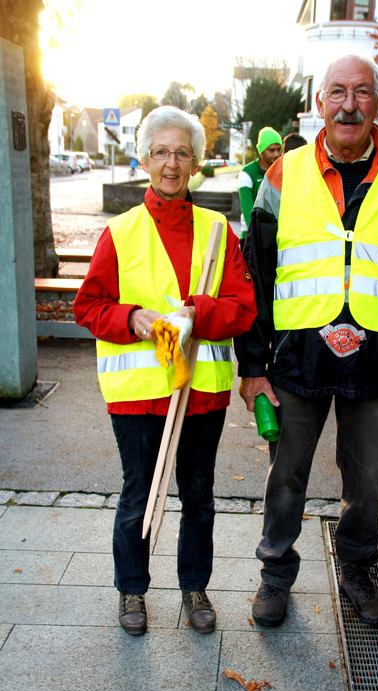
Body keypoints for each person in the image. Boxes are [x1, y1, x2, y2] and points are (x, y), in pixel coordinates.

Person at [234, 53, 378, 629]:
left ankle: (357, 571)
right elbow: (255, 273)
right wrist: (252, 366)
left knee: (367, 481)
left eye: (361, 92)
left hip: (377, 359)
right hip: (296, 358)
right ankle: (275, 574)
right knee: (287, 475)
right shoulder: (282, 175)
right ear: (319, 101)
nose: (348, 104)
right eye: (337, 92)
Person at [74, 106, 256, 636]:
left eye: (182, 152)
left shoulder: (220, 232)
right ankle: (131, 590)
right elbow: (89, 307)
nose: (171, 163)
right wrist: (132, 318)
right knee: (140, 492)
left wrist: (199, 311)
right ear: (144, 158)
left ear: (196, 163)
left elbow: (243, 308)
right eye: (160, 151)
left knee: (198, 494)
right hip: (138, 393)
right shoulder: (121, 232)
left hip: (200, 392)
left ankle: (194, 587)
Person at [237, 126, 282, 248]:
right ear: (261, 151)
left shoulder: (283, 171)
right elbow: (248, 210)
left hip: (277, 237)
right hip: (251, 237)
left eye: (279, 149)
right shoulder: (247, 173)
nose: (276, 154)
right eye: (271, 150)